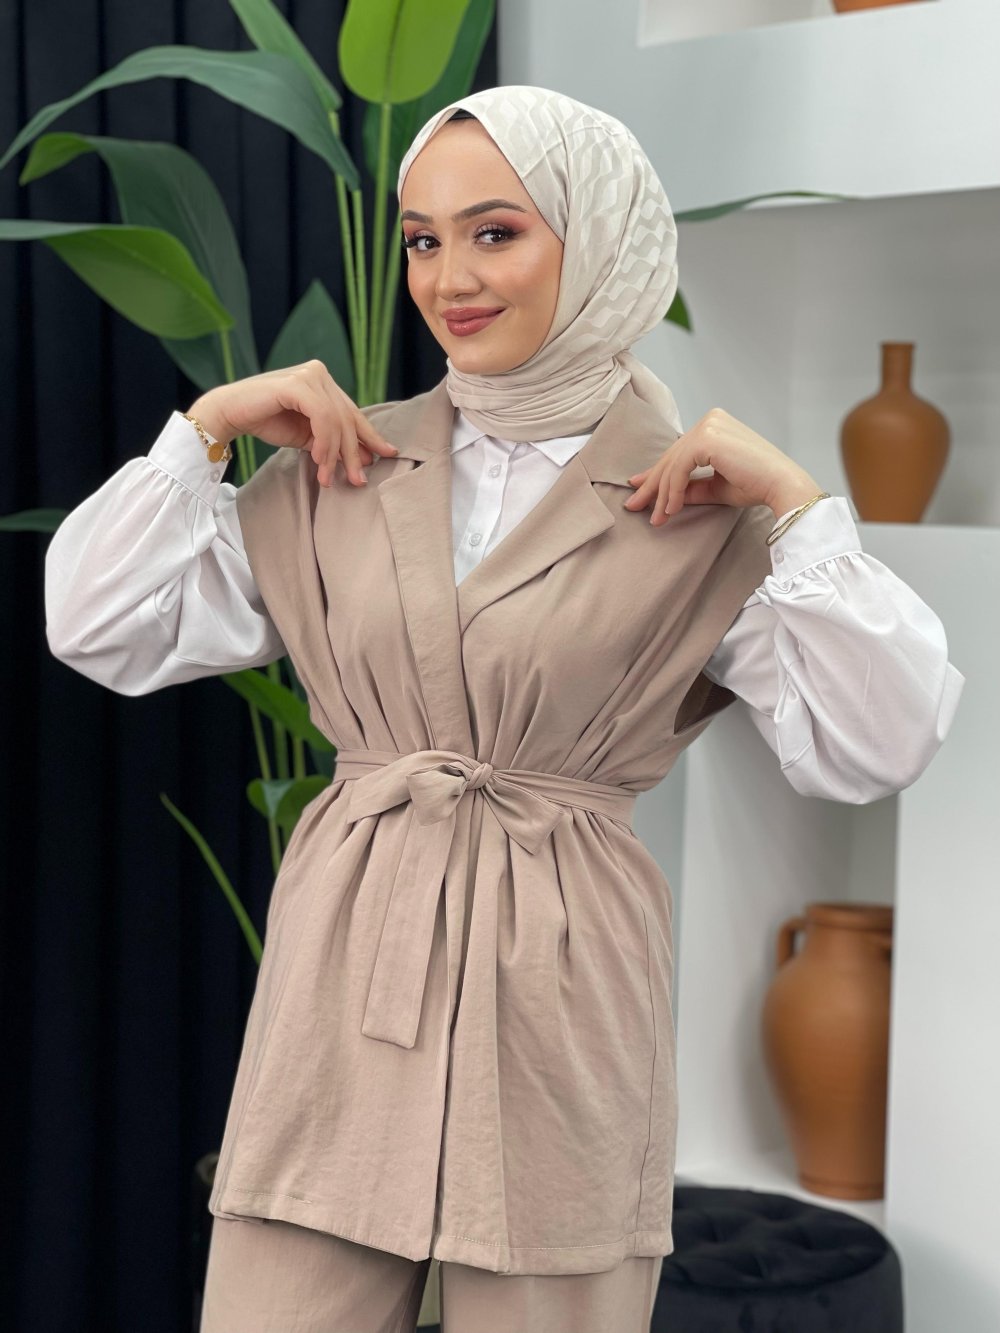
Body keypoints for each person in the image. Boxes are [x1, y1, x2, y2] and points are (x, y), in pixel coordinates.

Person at [44, 86, 965, 1333]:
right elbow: (98, 623)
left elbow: (877, 744)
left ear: (597, 240)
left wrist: (799, 509)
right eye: (423, 239)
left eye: (496, 232)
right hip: (346, 960)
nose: (449, 278)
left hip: (563, 978)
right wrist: (204, 434)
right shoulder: (340, 465)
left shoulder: (701, 505)